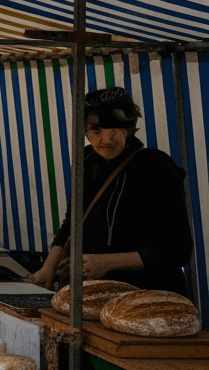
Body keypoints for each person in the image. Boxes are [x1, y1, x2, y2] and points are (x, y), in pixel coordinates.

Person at [29, 88, 193, 295]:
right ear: (85, 131)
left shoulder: (156, 168)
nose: (106, 139)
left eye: (114, 129)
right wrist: (49, 267)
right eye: (96, 131)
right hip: (98, 295)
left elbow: (178, 250)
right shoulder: (86, 162)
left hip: (150, 295)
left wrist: (107, 262)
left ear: (130, 127)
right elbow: (74, 220)